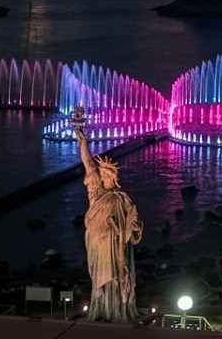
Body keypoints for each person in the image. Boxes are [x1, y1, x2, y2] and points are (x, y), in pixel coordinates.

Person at [72, 105, 143, 322]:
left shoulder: (122, 197)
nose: (101, 178)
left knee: (119, 276)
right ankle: (102, 308)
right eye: (100, 175)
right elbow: (88, 164)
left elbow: (132, 221)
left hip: (115, 241)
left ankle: (118, 309)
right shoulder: (97, 192)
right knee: (101, 278)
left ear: (112, 177)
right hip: (98, 242)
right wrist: (82, 137)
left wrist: (133, 227)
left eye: (105, 175)